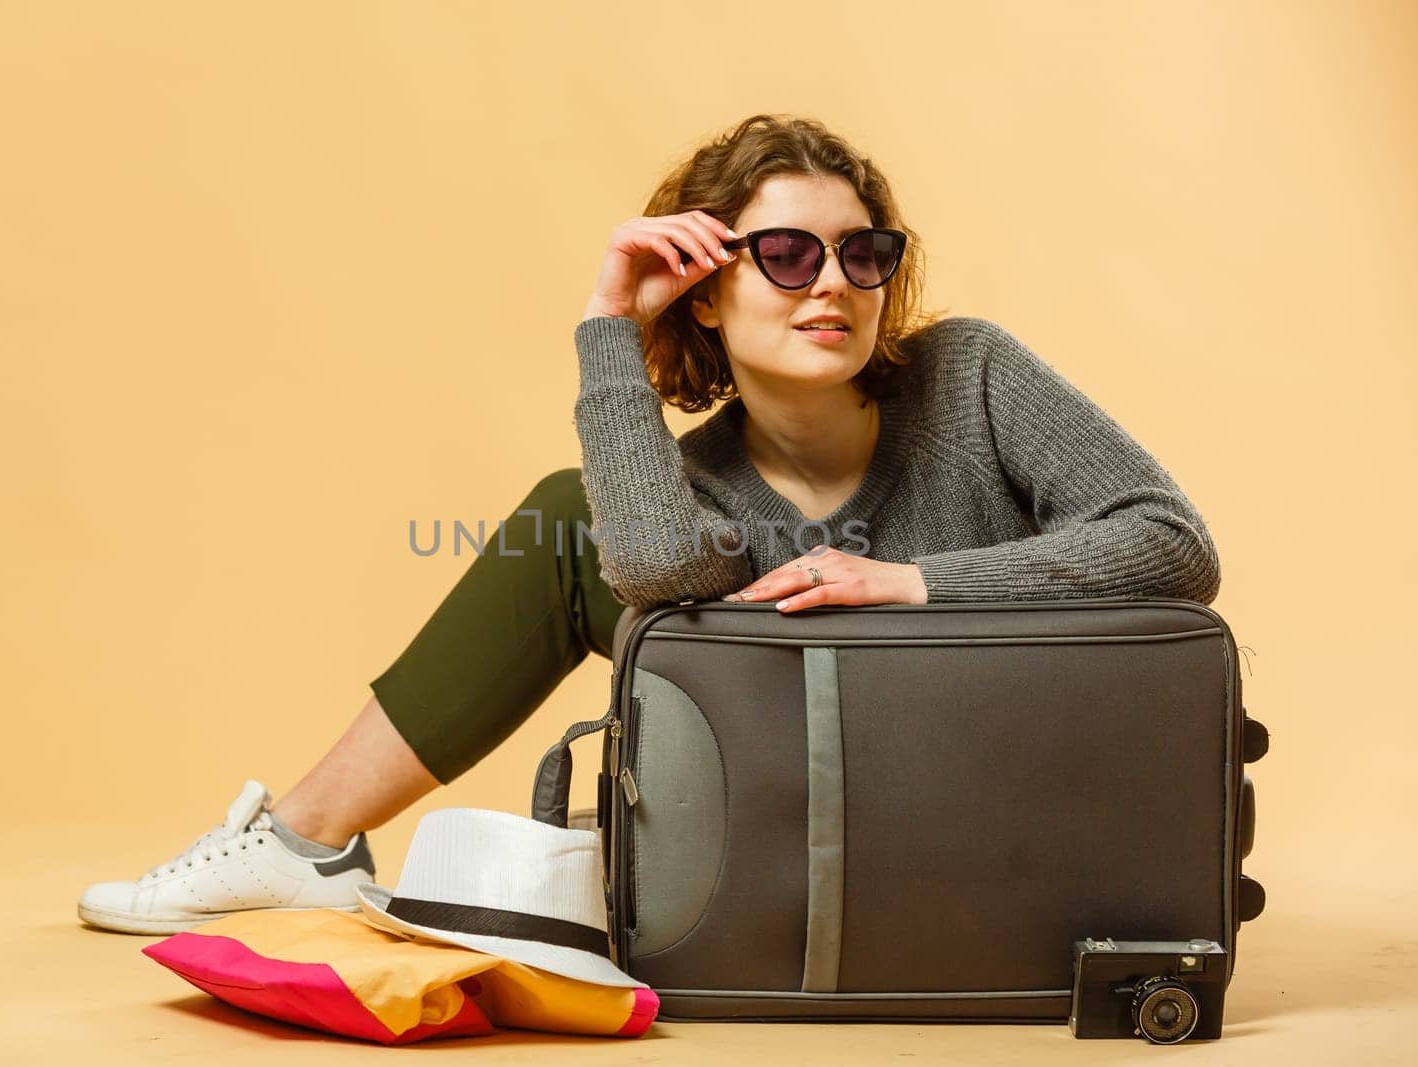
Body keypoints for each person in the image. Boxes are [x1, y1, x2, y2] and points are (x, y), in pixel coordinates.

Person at [78, 114, 1220, 934]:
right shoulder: (694, 481)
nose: (833, 281)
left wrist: (910, 584)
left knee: (572, 515)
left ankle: (304, 833)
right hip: (810, 832)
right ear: (708, 290)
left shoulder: (970, 372)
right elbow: (658, 562)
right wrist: (607, 324)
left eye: (863, 252)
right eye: (784, 252)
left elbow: (1171, 541)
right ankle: (305, 843)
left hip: (1006, 796)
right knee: (571, 514)